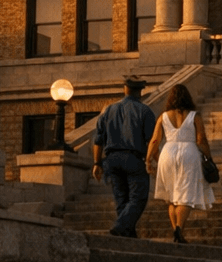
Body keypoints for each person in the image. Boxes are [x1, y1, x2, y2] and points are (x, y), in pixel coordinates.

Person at [146, 83, 215, 243]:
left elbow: (155, 140)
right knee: (186, 196)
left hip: (167, 153)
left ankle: (177, 232)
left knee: (171, 197)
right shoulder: (194, 116)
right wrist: (209, 157)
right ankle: (178, 228)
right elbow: (201, 140)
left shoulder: (163, 117)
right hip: (189, 154)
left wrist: (148, 159)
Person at [91, 75, 153, 237]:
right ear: (140, 91)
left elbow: (98, 140)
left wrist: (97, 163)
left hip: (111, 159)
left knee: (121, 199)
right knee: (138, 198)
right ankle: (120, 227)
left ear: (125, 89)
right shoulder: (145, 111)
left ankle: (128, 234)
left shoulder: (108, 110)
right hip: (134, 158)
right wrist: (150, 161)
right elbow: (151, 141)